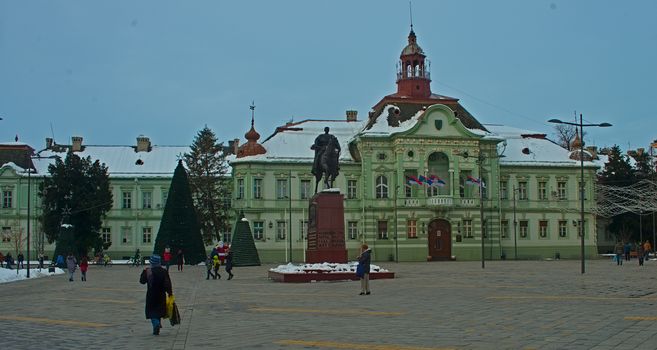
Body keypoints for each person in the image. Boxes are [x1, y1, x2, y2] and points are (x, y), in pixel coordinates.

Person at [139, 255, 172, 335]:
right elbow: (167, 283)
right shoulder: (164, 271)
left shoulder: (148, 271)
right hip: (161, 295)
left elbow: (142, 281)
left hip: (151, 295)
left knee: (152, 311)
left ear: (151, 262)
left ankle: (156, 323)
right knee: (159, 310)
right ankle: (157, 324)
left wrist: (144, 273)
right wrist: (170, 293)